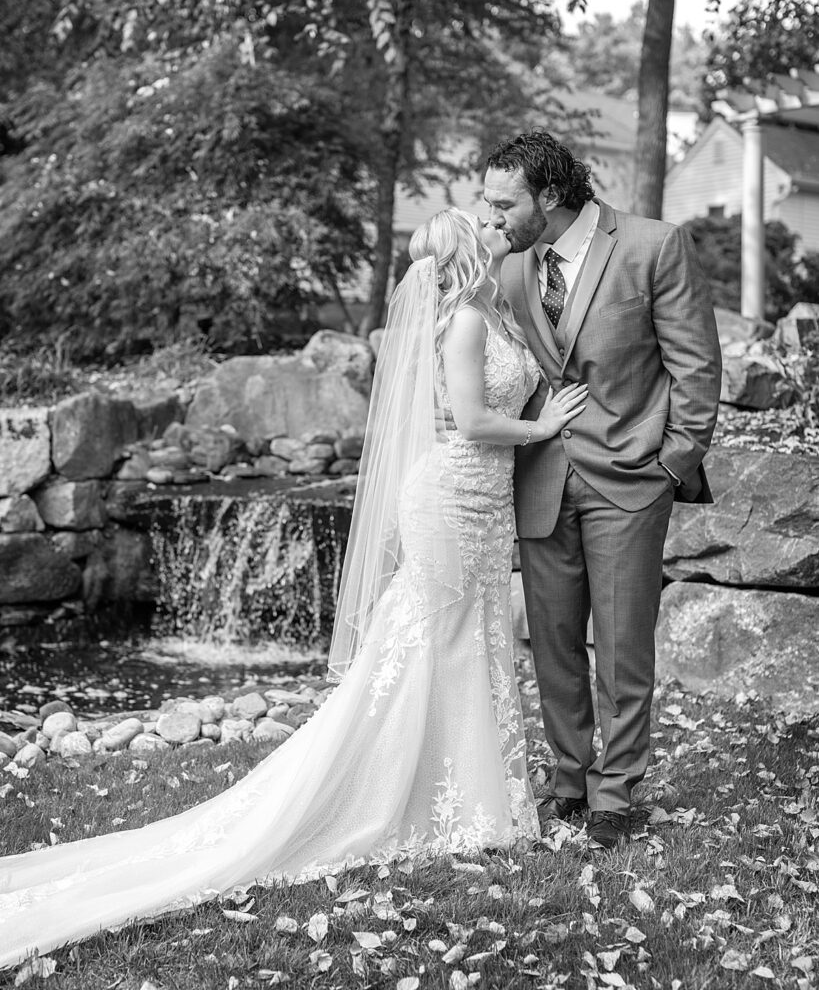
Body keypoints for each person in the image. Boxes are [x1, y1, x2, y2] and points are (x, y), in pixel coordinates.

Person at [0, 207, 588, 970]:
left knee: (462, 640)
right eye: (469, 233)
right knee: (429, 641)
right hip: (450, 495)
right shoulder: (467, 325)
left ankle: (469, 791)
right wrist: (543, 431)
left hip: (482, 505)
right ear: (469, 255)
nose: (479, 234)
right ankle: (421, 794)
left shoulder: (487, 314)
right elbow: (473, 420)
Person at [482, 130, 722, 850]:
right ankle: (568, 782)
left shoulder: (653, 244)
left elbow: (696, 366)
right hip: (539, 481)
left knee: (622, 648)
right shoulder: (513, 265)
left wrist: (671, 465)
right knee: (553, 646)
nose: (489, 215)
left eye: (502, 202)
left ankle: (617, 794)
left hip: (630, 479)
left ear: (548, 196)